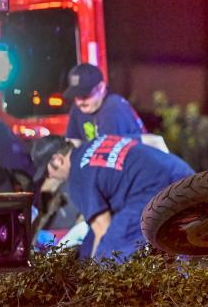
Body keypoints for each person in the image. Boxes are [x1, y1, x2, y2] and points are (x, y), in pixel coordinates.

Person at [31, 134, 193, 261]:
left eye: (47, 172)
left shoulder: (78, 178)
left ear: (57, 160)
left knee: (108, 258)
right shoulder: (98, 141)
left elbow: (102, 229)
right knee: (88, 247)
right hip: (182, 173)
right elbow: (151, 141)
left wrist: (91, 281)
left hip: (154, 192)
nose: (50, 177)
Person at [63, 63, 145, 143]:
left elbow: (107, 150)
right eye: (76, 96)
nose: (79, 102)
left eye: (85, 94)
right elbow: (72, 142)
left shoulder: (113, 106)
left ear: (101, 88)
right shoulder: (78, 108)